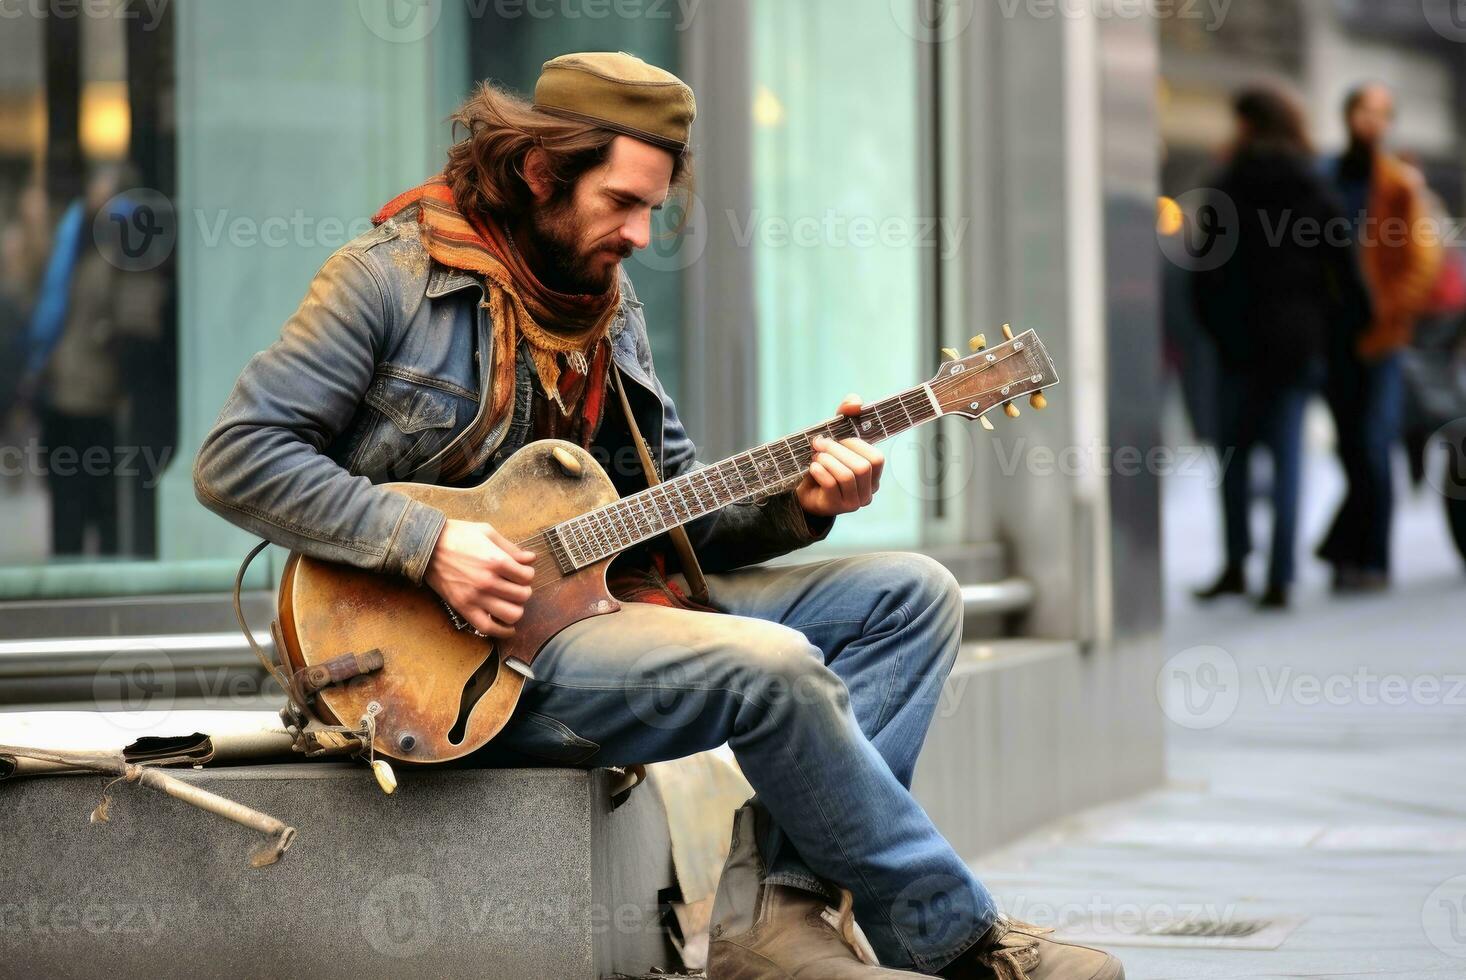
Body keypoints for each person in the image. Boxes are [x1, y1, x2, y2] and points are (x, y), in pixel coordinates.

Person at [193, 54, 1121, 980]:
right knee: (775, 666)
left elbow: (675, 514)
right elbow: (237, 459)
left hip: (607, 609)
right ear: (540, 172)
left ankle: (779, 916)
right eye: (623, 203)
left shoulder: (609, 306)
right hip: (457, 673)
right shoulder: (386, 280)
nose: (641, 234)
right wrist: (428, 545)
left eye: (654, 209)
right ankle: (963, 947)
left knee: (913, 596)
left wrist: (800, 503)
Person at [1192, 87, 1371, 610]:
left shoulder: (1229, 184)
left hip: (1237, 345)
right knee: (1289, 457)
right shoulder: (1312, 185)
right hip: (1296, 344)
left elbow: (1204, 273)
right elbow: (1344, 269)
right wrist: (1342, 333)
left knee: (1235, 457)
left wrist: (1217, 329)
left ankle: (1235, 564)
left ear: (1248, 125)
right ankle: (1280, 574)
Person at [1318, 83, 1442, 591]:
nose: (1371, 122)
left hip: (1381, 334)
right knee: (1349, 447)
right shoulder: (1323, 175)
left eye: (1381, 114)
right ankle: (1346, 548)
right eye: (1363, 112)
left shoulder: (1399, 183)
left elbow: (1422, 260)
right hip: (1331, 333)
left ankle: (1370, 557)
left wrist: (1389, 311)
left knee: (1372, 444)